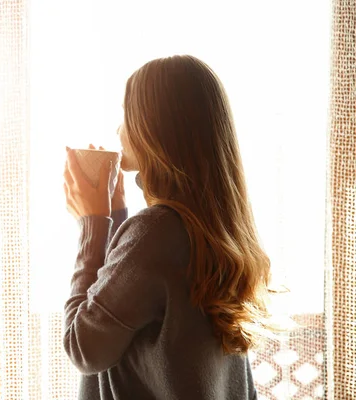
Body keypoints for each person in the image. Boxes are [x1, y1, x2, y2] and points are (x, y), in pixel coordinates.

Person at [62, 55, 273, 400]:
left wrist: (91, 228)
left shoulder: (155, 232)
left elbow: (83, 347)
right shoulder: (214, 228)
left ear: (153, 127)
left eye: (126, 115)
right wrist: (115, 216)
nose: (119, 129)